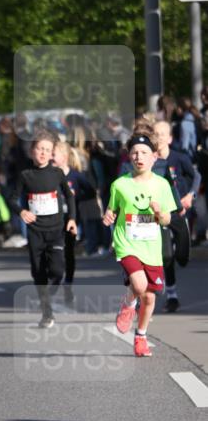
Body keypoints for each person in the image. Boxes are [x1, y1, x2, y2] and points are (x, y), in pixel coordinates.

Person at [103, 127, 177, 357]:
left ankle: (141, 336)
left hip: (151, 247)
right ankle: (127, 305)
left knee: (150, 296)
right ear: (129, 156)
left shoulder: (162, 185)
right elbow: (111, 210)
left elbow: (167, 219)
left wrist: (159, 212)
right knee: (138, 286)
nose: (139, 157)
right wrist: (108, 216)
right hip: (127, 244)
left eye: (144, 153)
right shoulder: (120, 184)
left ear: (155, 157)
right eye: (135, 153)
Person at [20, 130, 77, 328]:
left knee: (57, 270)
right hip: (35, 231)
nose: (43, 153)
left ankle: (48, 296)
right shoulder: (26, 175)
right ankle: (47, 312)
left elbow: (69, 196)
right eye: (40, 149)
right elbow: (11, 197)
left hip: (56, 229)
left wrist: (72, 219)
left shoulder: (57, 173)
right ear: (32, 151)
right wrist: (21, 212)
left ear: (52, 152)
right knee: (38, 271)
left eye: (47, 150)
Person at [152, 120, 198, 312]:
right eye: (156, 134)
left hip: (179, 212)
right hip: (160, 213)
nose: (160, 137)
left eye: (163, 134)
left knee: (182, 257)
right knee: (166, 255)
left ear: (170, 138)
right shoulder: (150, 160)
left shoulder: (179, 158)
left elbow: (197, 176)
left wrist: (190, 195)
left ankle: (181, 254)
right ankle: (172, 296)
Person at [52, 140, 97, 304]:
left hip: (70, 219)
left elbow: (91, 191)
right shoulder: (49, 174)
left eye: (53, 154)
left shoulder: (75, 176)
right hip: (52, 220)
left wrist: (75, 198)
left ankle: (68, 284)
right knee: (54, 252)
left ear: (64, 157)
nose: (50, 157)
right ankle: (55, 278)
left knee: (68, 253)